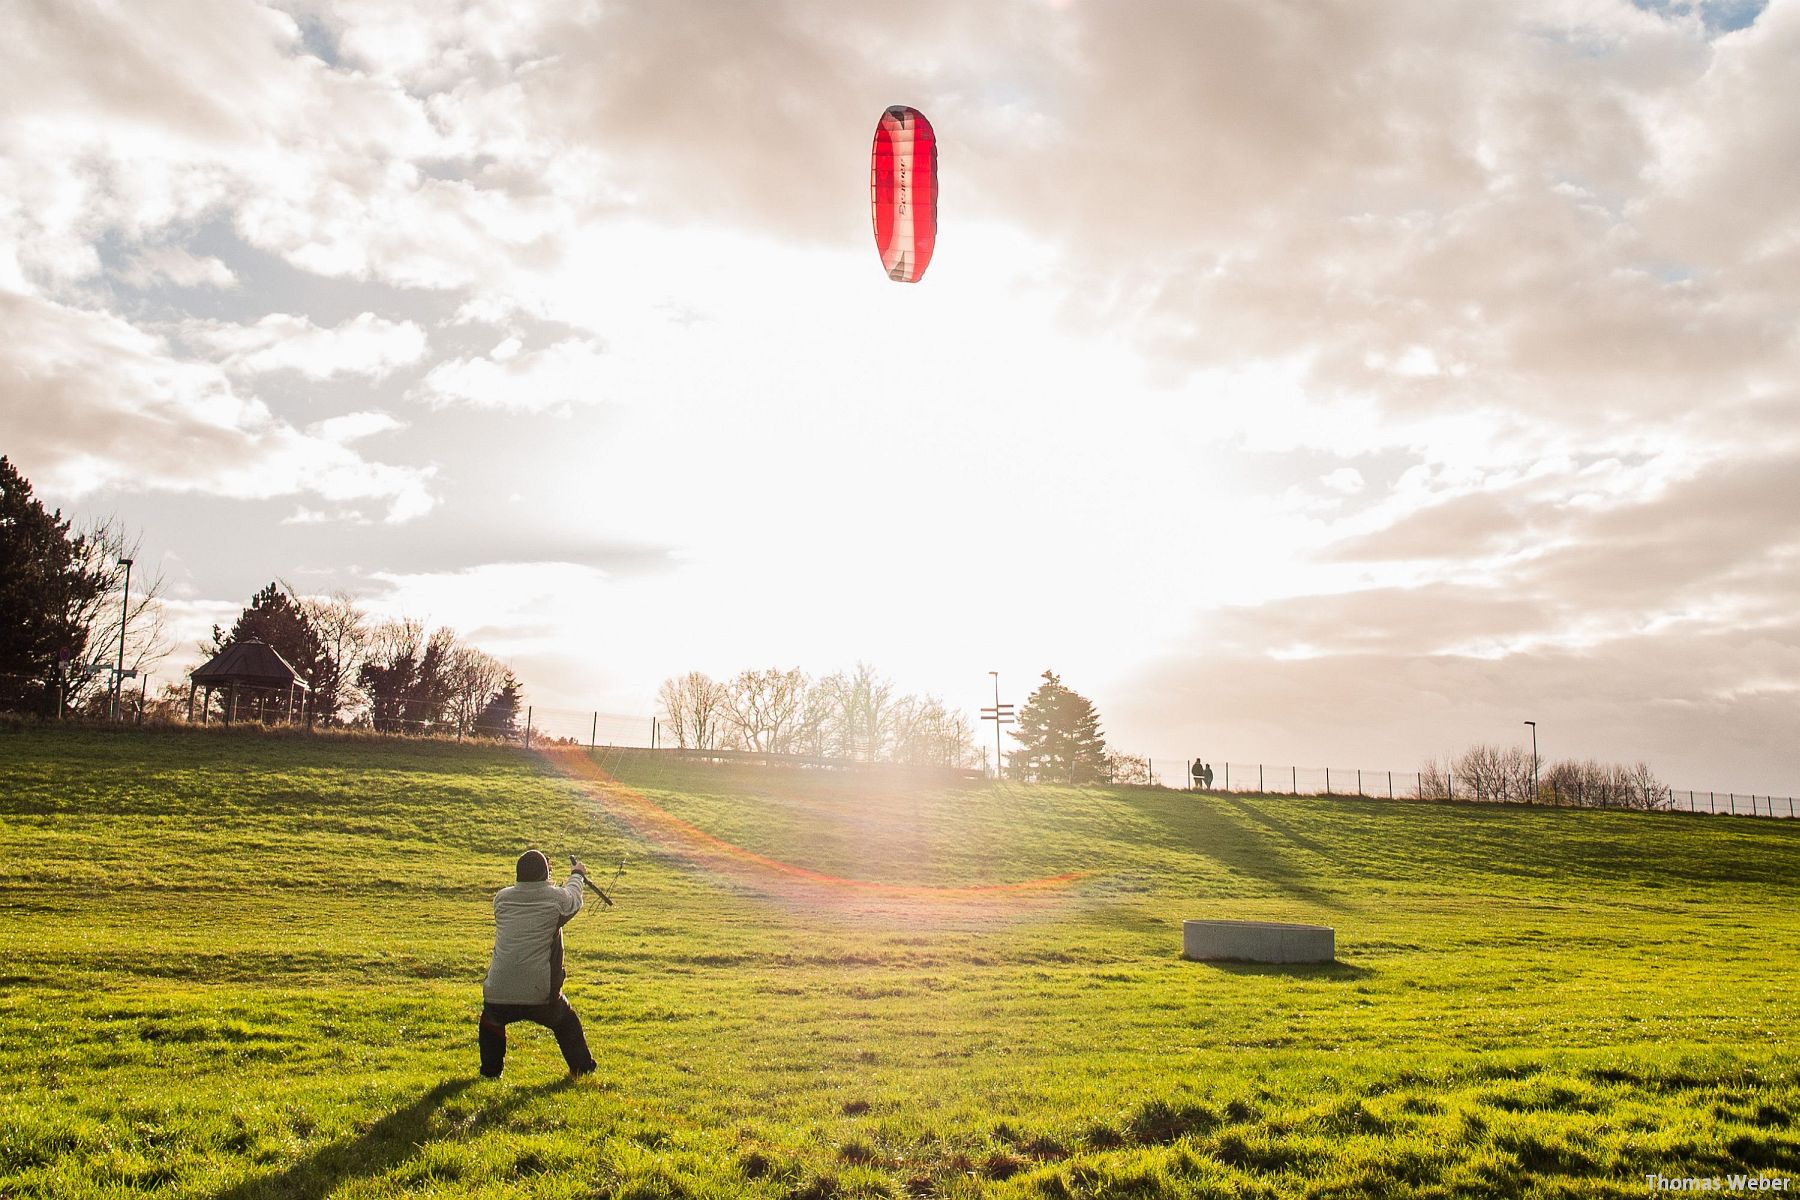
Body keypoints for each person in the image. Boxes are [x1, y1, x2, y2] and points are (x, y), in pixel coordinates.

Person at [478, 849, 599, 1080]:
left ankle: (490, 1072)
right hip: (540, 993)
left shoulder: (501, 899)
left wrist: (546, 879)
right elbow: (572, 900)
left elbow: (536, 901)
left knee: (491, 1021)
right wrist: (577, 874)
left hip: (498, 989)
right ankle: (582, 1069)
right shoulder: (556, 899)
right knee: (566, 1022)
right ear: (545, 872)